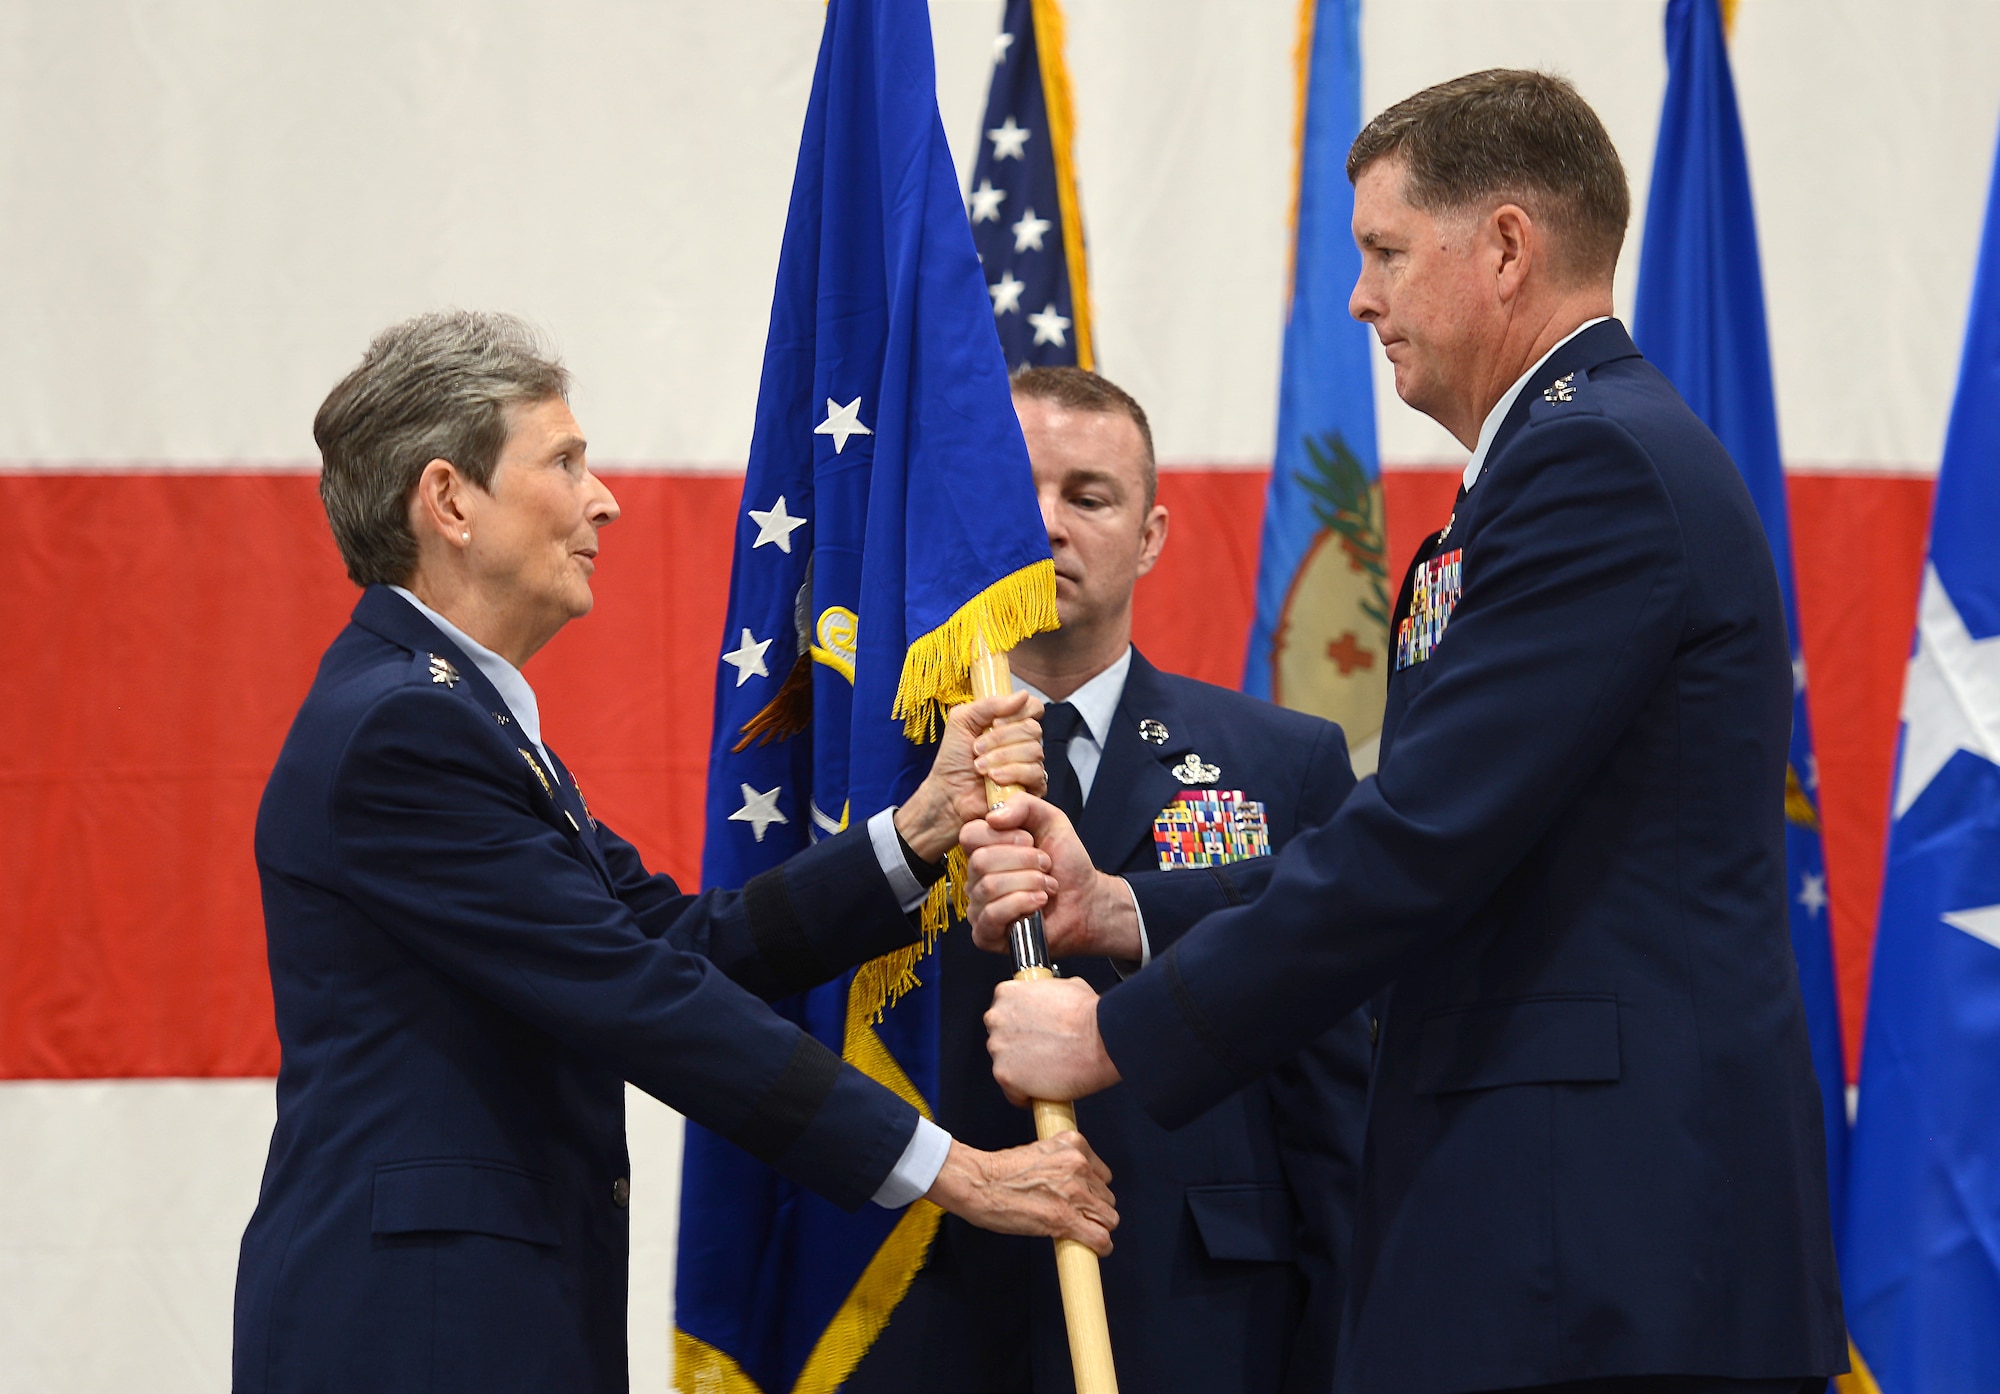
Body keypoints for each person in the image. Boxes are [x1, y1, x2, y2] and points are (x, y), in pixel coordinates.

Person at [970, 71, 1847, 1394]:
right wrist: (1122, 909)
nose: (1359, 298)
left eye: (1384, 251)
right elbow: (1440, 833)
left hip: (1605, 1255)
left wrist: (1116, 1033)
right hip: (1561, 1242)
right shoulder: (1561, 463)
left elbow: (1423, 837)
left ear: (1504, 246)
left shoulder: (1592, 466)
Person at [232, 310, 1116, 1394]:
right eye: (563, 460)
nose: (603, 496)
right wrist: (953, 1168)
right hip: (417, 1333)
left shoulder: (459, 716)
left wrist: (918, 830)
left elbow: (676, 938)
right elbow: (638, 990)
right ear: (450, 500)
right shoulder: (404, 732)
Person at [846, 367, 1368, 1394]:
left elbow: (1329, 1099)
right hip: (929, 1307)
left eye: (1087, 495)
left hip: (1202, 1314)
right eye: (1015, 494)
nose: (1044, 523)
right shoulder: (890, 776)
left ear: (1151, 534)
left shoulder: (1282, 761)